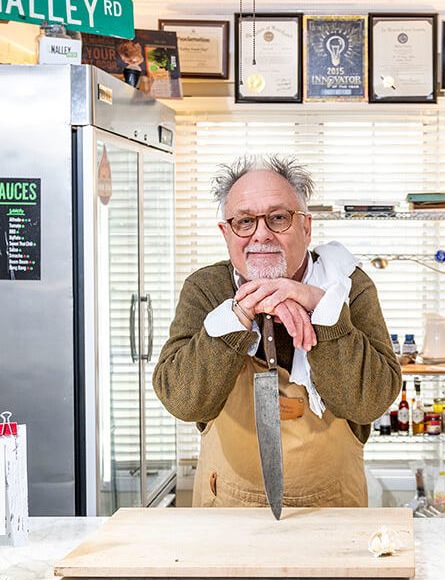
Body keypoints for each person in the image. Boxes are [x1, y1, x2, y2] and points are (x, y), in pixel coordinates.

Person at [153, 154, 401, 508]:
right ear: (226, 233)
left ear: (306, 227)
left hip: (333, 509)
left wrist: (323, 310)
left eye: (278, 218)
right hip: (226, 508)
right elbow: (184, 401)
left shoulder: (348, 287)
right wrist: (239, 314)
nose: (261, 235)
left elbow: (368, 403)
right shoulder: (206, 288)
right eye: (244, 221)